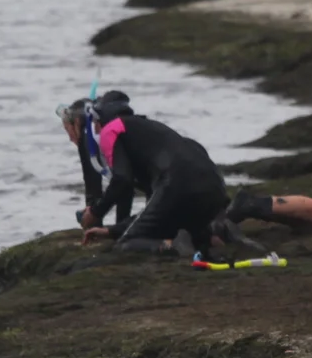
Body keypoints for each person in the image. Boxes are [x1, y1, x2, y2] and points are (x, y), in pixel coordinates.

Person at [60, 90, 232, 257]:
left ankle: (174, 247)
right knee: (169, 224)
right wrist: (113, 230)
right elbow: (151, 203)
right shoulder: (145, 129)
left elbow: (122, 181)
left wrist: (96, 212)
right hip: (214, 188)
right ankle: (208, 237)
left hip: (178, 185)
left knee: (126, 245)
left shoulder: (110, 131)